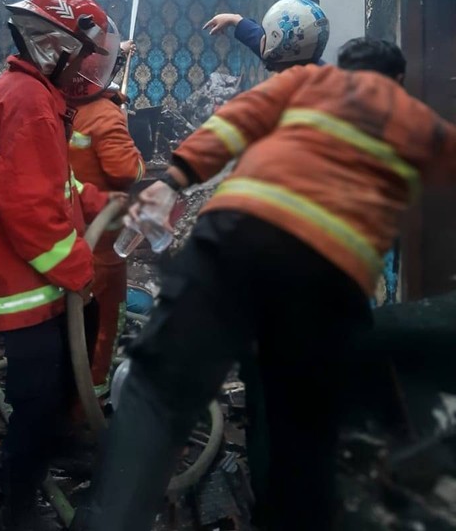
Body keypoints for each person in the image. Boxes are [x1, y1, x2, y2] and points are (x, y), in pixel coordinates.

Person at [73, 38, 456, 531]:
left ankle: (110, 521)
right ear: (398, 80)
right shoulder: (420, 122)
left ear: (341, 66)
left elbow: (235, 121)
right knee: (304, 423)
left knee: (158, 390)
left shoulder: (308, 80)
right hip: (325, 279)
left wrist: (176, 176)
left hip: (233, 241)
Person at [0, 0, 123, 531]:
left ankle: (52, 447)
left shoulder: (33, 94)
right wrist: (79, 272)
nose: (88, 70)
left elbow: (58, 188)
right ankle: (17, 504)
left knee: (55, 384)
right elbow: (26, 206)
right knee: (34, 398)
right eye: (84, 55)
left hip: (32, 275)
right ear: (57, 47)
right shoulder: (29, 102)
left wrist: (108, 203)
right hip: (23, 284)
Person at [68, 39, 146, 398]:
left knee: (72, 319)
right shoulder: (105, 115)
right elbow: (127, 171)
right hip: (104, 245)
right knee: (104, 323)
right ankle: (93, 397)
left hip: (69, 236)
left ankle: (69, 390)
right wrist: (122, 125)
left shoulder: (66, 106)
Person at [204, 0, 329, 69]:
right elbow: (269, 44)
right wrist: (234, 19)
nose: (262, 38)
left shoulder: (289, 93)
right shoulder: (302, 57)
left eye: (266, 35)